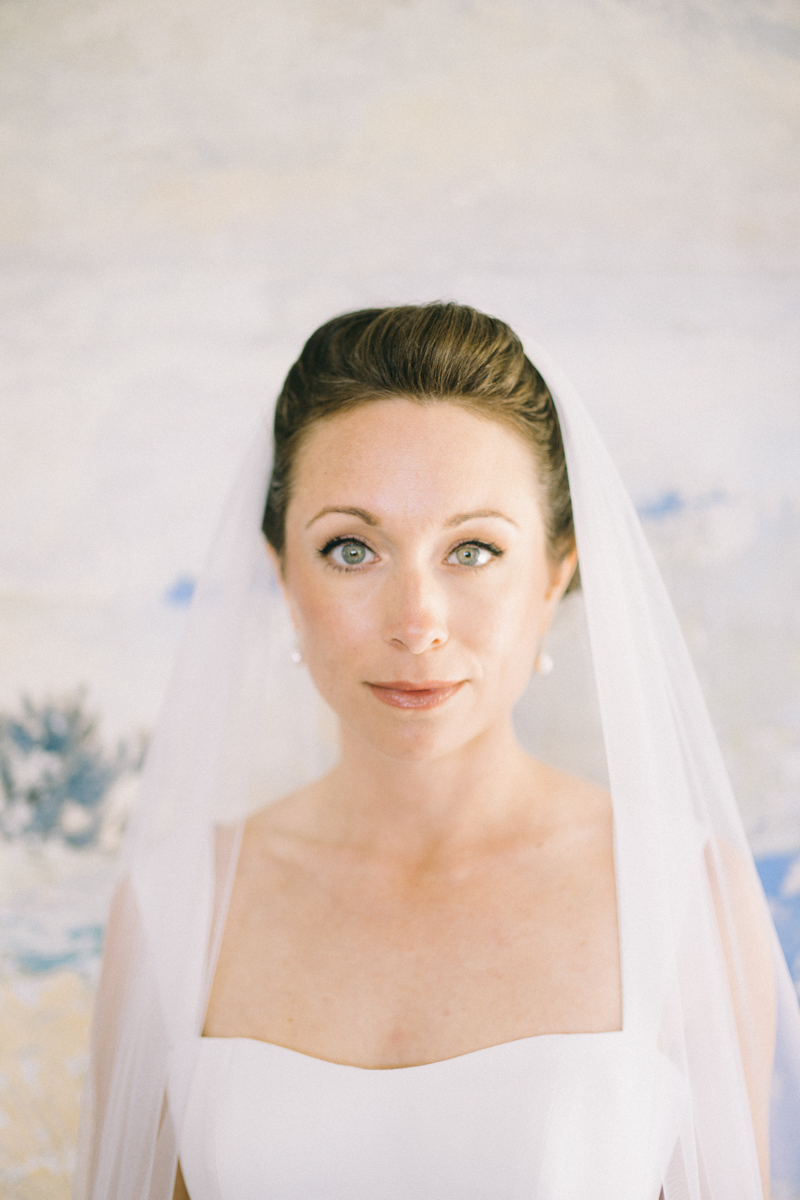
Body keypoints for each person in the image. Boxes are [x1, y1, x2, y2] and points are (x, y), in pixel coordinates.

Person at [75, 304, 800, 1200]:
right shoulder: (172, 910)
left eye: (473, 549)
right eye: (351, 548)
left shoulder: (691, 901)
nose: (416, 623)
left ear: (555, 576)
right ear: (280, 575)